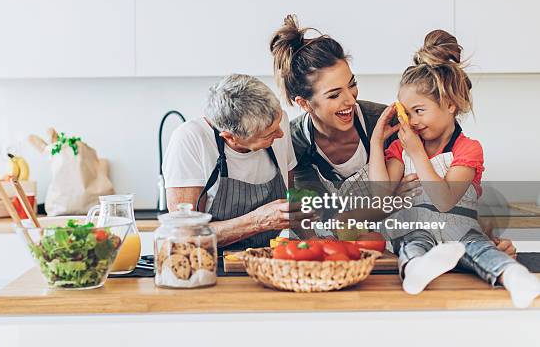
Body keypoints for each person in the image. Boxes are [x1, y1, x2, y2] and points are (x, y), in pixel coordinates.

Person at [269, 14, 516, 255]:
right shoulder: (293, 145)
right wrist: (392, 199)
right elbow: (328, 221)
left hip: (400, 242)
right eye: (334, 95)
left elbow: (452, 184)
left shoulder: (387, 122)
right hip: (341, 248)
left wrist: (484, 238)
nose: (349, 100)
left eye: (352, 84)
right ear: (304, 103)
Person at [368, 29, 538, 307]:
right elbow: (380, 196)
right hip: (416, 230)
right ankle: (416, 272)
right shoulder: (400, 148)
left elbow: (444, 200)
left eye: (419, 111)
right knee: (413, 244)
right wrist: (377, 141)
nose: (411, 121)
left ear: (449, 104)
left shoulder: (468, 148)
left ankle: (515, 278)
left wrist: (417, 153)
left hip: (461, 232)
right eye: (406, 112)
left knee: (480, 248)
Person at [162, 74, 302, 250]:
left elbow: (292, 196)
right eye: (268, 135)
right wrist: (258, 221)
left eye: (279, 123)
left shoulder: (278, 125)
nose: (280, 134)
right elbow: (185, 236)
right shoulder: (191, 139)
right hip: (210, 265)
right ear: (231, 137)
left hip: (268, 259)